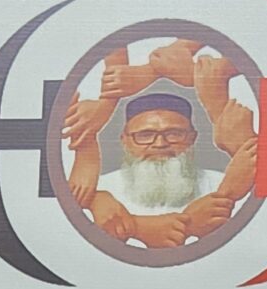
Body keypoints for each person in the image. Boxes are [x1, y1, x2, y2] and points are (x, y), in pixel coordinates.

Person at [94, 89, 222, 216]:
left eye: (173, 134)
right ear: (125, 141)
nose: (160, 144)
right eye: (145, 135)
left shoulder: (221, 186)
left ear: (192, 138)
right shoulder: (99, 190)